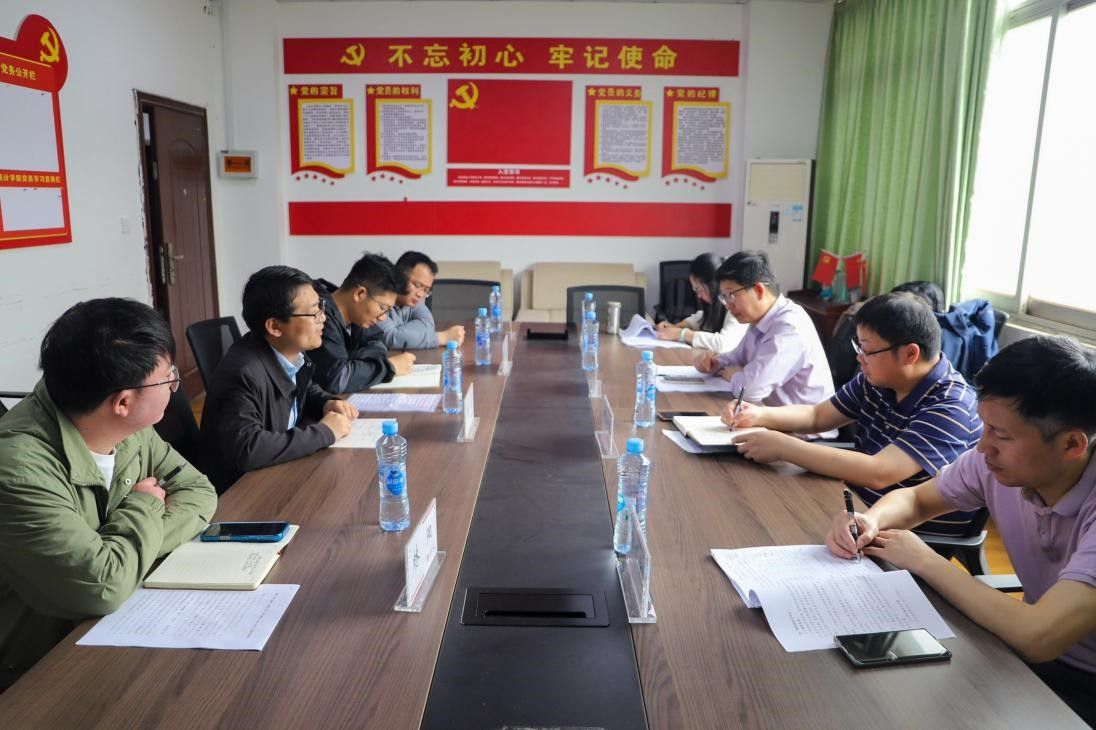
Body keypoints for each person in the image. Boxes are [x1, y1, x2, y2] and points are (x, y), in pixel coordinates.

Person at [825, 335, 1096, 725]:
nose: (983, 447)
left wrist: (926, 561)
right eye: (984, 427)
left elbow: (1039, 635)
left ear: (1072, 444)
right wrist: (871, 520)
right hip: (1026, 658)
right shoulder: (995, 463)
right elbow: (916, 501)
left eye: (1002, 435)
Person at [0, 298, 217, 689]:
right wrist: (144, 505)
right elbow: (102, 587)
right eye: (168, 376)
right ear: (123, 402)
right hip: (37, 672)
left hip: (110, 632)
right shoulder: (17, 469)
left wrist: (119, 553)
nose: (174, 385)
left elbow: (198, 490)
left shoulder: (130, 428)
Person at [728, 292, 983, 537]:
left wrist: (784, 447)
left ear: (910, 354)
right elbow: (817, 416)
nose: (860, 358)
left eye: (868, 350)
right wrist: (759, 415)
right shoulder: (878, 380)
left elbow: (879, 472)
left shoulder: (951, 406)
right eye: (858, 347)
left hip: (904, 533)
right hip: (854, 506)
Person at [200, 266, 358, 492]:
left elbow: (304, 387)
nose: (323, 318)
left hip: (277, 473)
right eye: (313, 312)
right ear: (274, 326)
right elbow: (247, 448)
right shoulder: (243, 372)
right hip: (243, 493)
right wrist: (325, 432)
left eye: (321, 307)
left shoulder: (289, 352)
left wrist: (326, 402)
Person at [693, 251, 835, 423]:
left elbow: (749, 390)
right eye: (724, 297)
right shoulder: (760, 320)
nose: (728, 305)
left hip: (804, 433)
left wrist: (734, 376)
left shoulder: (789, 327)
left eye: (731, 295)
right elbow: (737, 357)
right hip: (772, 419)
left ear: (759, 290)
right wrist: (714, 362)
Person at [310, 253, 416, 393]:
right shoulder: (320, 317)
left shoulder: (356, 317)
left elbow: (377, 341)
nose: (383, 318)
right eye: (383, 308)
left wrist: (356, 366)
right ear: (359, 294)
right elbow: (337, 379)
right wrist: (390, 367)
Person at [655, 253, 748, 352]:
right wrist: (675, 327)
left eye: (698, 289)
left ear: (712, 285)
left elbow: (723, 343)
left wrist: (682, 334)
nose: (698, 295)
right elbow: (700, 318)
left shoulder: (735, 307)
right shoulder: (715, 306)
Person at [375, 251, 465, 350]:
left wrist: (402, 335)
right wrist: (442, 337)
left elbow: (428, 325)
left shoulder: (414, 301)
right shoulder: (379, 300)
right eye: (417, 285)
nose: (421, 294)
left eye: (426, 290)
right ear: (399, 277)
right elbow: (392, 338)